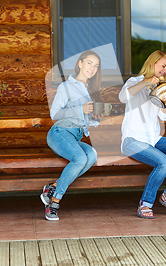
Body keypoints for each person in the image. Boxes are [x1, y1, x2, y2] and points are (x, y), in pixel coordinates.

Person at [119, 50, 166, 219]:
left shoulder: (160, 87)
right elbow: (123, 97)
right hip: (132, 140)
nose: (165, 71)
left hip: (153, 139)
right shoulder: (135, 81)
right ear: (152, 63)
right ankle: (145, 204)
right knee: (164, 162)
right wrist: (146, 82)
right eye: (163, 66)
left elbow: (164, 116)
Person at [40, 50, 103, 221]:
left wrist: (96, 117)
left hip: (75, 136)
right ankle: (54, 202)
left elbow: (85, 121)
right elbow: (55, 114)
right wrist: (80, 109)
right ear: (80, 63)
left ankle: (53, 186)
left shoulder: (90, 90)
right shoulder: (66, 87)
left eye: (96, 66)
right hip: (59, 132)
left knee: (91, 155)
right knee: (80, 158)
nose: (92, 68)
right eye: (90, 63)